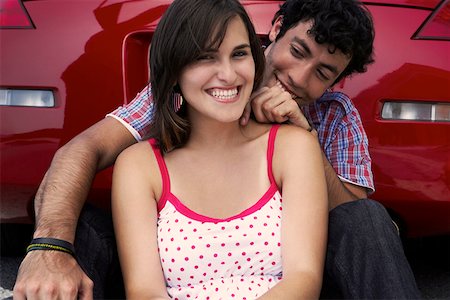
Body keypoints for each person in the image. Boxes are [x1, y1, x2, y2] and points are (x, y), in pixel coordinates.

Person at [14, 0, 421, 299]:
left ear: (336, 82)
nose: (298, 77)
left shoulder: (333, 117)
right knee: (81, 228)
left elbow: (359, 223)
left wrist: (305, 135)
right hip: (168, 264)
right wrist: (49, 246)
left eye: (323, 73)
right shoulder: (186, 92)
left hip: (294, 271)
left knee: (368, 217)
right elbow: (81, 151)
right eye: (297, 52)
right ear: (276, 28)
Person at [111, 0, 328, 298]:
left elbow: (304, 278)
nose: (228, 75)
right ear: (174, 70)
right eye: (205, 57)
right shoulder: (140, 166)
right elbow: (144, 291)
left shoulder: (292, 147)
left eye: (239, 54)